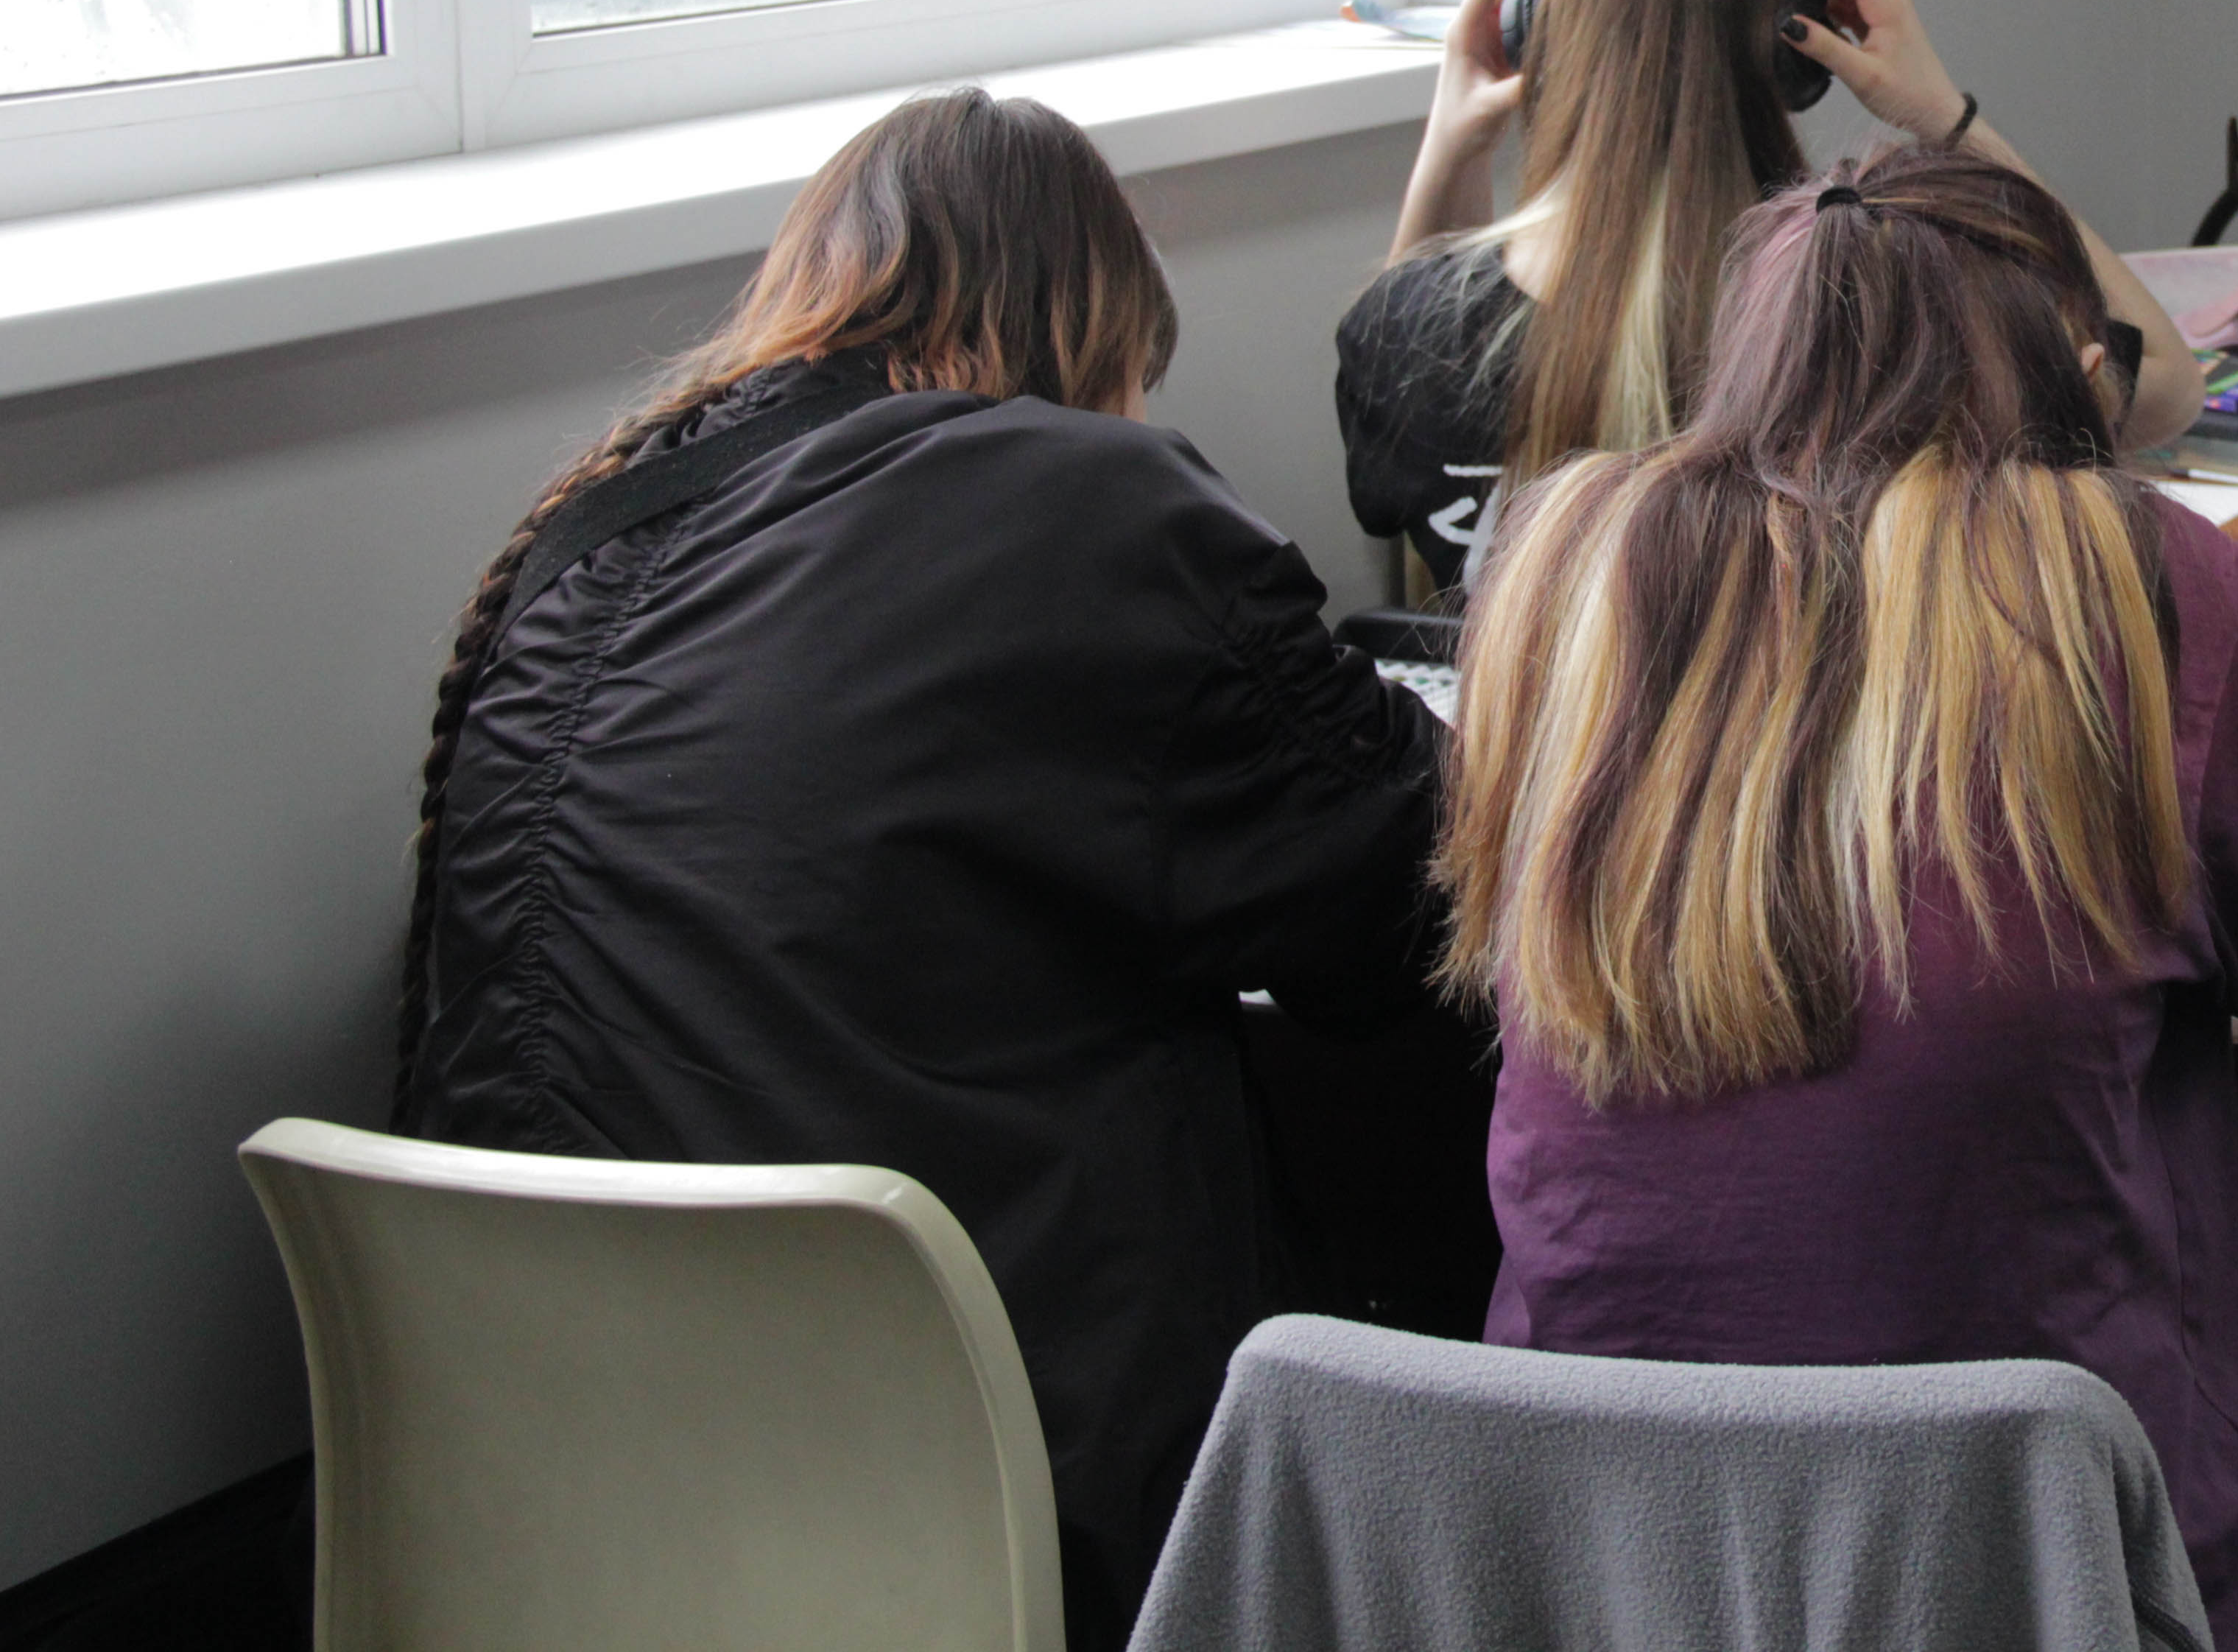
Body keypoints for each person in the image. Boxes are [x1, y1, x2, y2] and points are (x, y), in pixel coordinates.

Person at [1442, 142, 2238, 1652]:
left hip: (1606, 1570)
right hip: (2056, 1578)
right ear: (2083, 377)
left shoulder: (1556, 571)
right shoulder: (2142, 585)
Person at [391, 90, 1448, 1650]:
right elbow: (1406, 898)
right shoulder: (1093, 505)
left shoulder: (580, 546)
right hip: (978, 1479)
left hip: (551, 1499)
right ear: (1085, 342)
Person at [1336, 0, 2201, 594]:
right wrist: (1942, 113)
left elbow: (1401, 367)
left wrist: (1452, 145)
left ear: (1540, 29)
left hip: (1508, 743)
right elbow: (2162, 388)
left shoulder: (1409, 324)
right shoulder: (1882, 299)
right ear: (1799, 46)